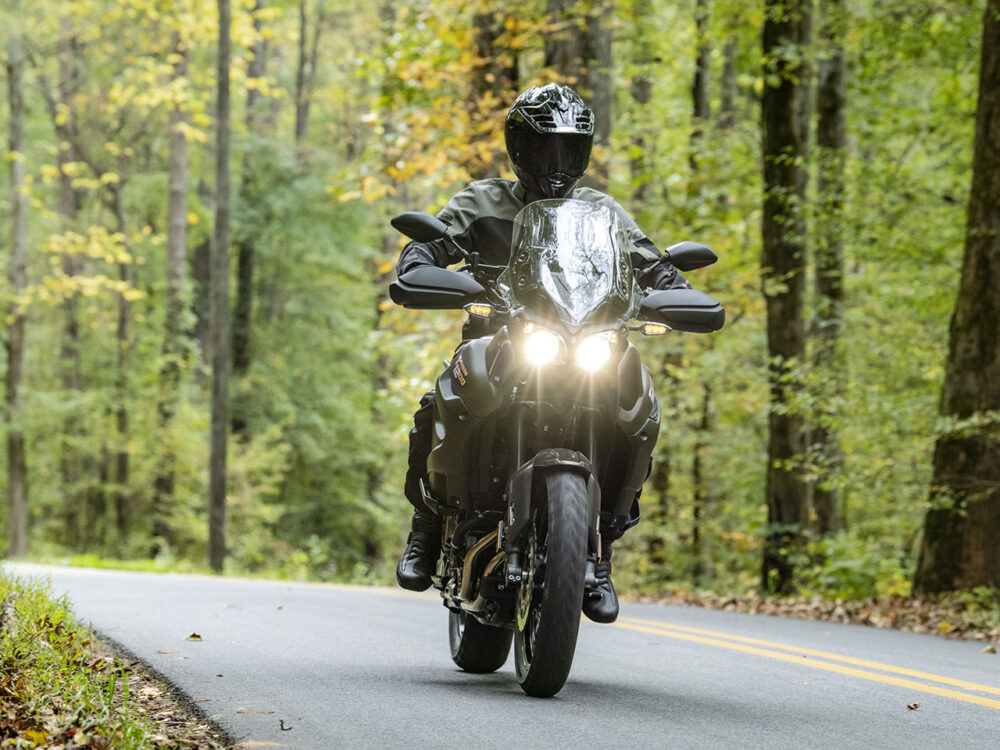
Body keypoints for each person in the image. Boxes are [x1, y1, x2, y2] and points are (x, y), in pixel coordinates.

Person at [394, 83, 690, 624]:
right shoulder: (481, 201)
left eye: (568, 150)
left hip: (586, 343)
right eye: (542, 148)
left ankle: (599, 553)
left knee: (637, 407)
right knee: (438, 401)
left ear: (584, 153)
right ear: (518, 147)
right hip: (504, 337)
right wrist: (418, 263)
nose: (556, 162)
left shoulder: (602, 213)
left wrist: (679, 290)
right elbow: (433, 242)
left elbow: (651, 263)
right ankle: (428, 526)